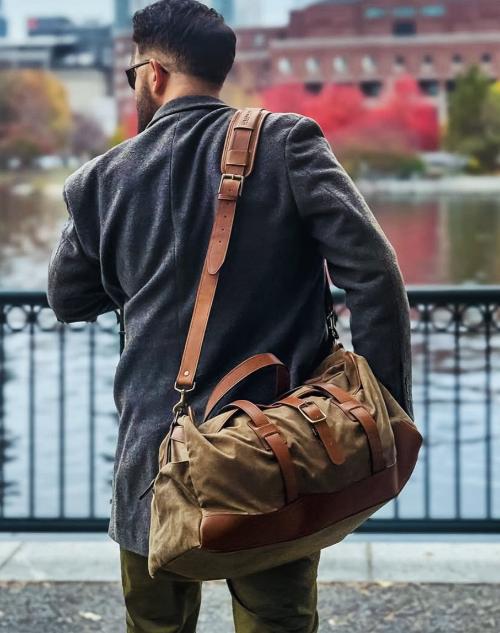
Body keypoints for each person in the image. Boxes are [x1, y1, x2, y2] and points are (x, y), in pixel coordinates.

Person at [47, 0, 414, 631]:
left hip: (153, 461)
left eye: (134, 74)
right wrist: (383, 407)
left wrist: (145, 263)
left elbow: (66, 297)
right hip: (277, 451)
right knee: (278, 620)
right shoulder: (288, 142)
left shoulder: (101, 180)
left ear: (154, 75)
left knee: (156, 625)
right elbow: (374, 276)